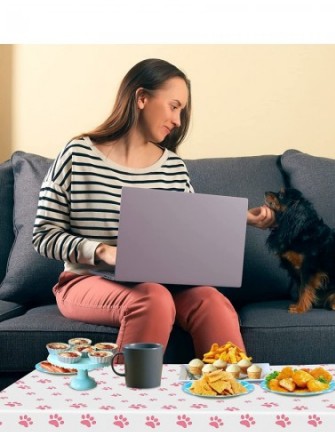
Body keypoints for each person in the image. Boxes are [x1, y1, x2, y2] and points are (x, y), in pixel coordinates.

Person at [32, 58, 274, 359]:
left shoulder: (172, 166)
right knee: (153, 298)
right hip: (86, 280)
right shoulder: (78, 154)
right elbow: (44, 235)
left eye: (182, 111)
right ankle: (128, 401)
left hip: (160, 281)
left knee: (213, 301)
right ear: (142, 98)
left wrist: (240, 219)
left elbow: (189, 230)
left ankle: (226, 395)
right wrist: (103, 251)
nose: (178, 120)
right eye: (174, 106)